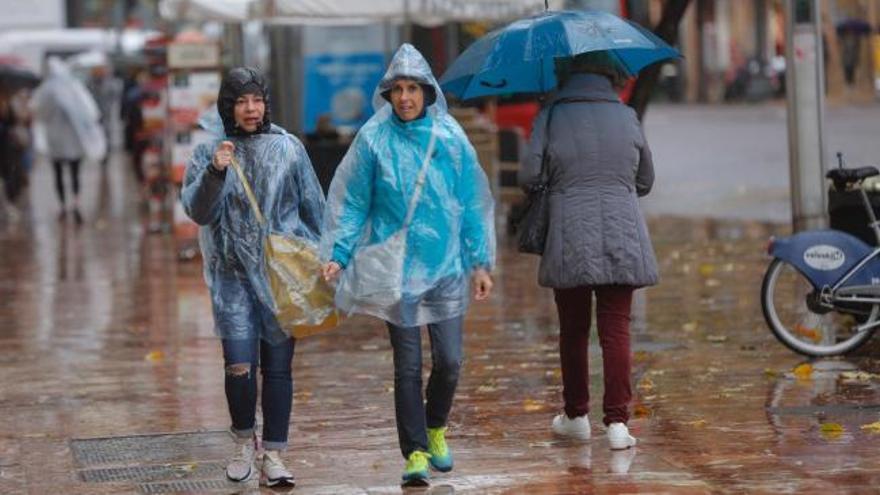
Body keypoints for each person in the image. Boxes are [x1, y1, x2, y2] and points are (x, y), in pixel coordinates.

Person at [320, 44, 495, 487]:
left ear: (427, 92)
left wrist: (480, 263)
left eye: (412, 88)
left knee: (451, 361)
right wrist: (338, 254)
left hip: (447, 267)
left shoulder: (451, 139)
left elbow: (472, 203)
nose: (404, 98)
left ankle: (435, 426)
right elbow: (353, 202)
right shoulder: (373, 141)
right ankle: (415, 449)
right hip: (396, 270)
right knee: (407, 364)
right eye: (397, 89)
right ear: (388, 94)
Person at [180, 67, 325, 488]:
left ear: (265, 103)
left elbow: (314, 207)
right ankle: (245, 442)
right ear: (228, 105)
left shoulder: (289, 148)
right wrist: (215, 172)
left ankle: (275, 455)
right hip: (232, 279)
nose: (250, 108)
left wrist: (330, 259)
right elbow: (198, 212)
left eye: (256, 100)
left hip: (281, 277)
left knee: (278, 369)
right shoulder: (209, 151)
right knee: (239, 366)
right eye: (241, 101)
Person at [519, 51, 658, 451]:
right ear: (610, 74)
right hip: (622, 232)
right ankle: (617, 424)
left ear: (565, 73)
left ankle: (576, 416)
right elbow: (645, 179)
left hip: (569, 235)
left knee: (574, 330)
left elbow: (530, 175)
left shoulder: (551, 114)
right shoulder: (626, 114)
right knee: (617, 329)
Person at [31, 57, 105, 224]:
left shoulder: (47, 91)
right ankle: (75, 203)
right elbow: (90, 112)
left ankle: (64, 206)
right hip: (73, 140)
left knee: (58, 173)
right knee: (74, 172)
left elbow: (38, 112)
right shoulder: (74, 88)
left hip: (55, 141)